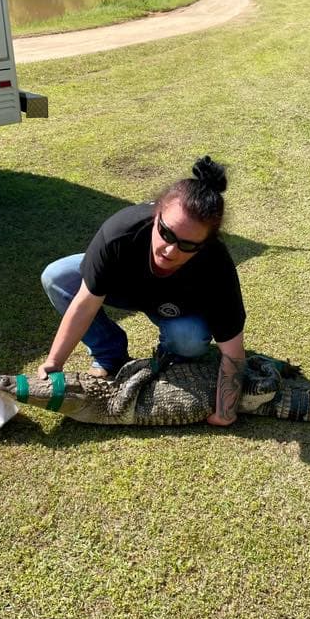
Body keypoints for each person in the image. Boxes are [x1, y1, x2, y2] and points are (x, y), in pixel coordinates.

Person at [38, 156, 246, 426]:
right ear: (156, 214)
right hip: (124, 286)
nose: (170, 250)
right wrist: (54, 363)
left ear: (205, 244)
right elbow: (84, 304)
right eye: (166, 233)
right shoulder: (120, 233)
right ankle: (110, 355)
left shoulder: (216, 265)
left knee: (189, 339)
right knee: (57, 277)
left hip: (176, 307)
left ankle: (171, 361)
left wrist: (225, 413)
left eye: (188, 245)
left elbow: (233, 352)